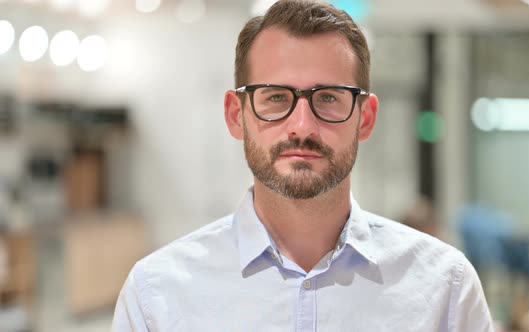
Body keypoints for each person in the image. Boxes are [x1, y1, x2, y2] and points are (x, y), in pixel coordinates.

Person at [112, 0, 494, 331]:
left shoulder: (445, 288)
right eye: (276, 97)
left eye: (328, 98)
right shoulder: (157, 296)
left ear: (365, 118)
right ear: (235, 115)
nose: (302, 126)